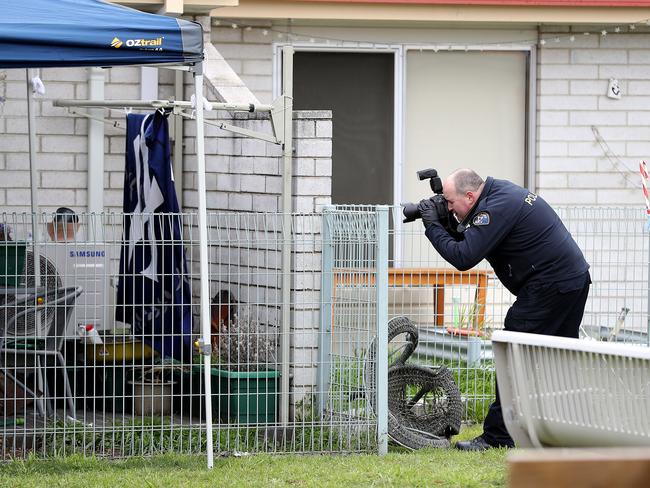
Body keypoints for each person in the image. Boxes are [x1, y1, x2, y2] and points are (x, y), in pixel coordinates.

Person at [417, 169, 591, 451]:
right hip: (572, 279)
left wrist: (432, 226)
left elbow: (463, 257)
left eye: (449, 202)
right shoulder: (498, 195)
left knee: (512, 353)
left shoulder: (494, 209)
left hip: (551, 285)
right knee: (556, 360)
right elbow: (470, 241)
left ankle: (498, 437)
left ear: (470, 196)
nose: (447, 207)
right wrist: (448, 222)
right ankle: (563, 430)